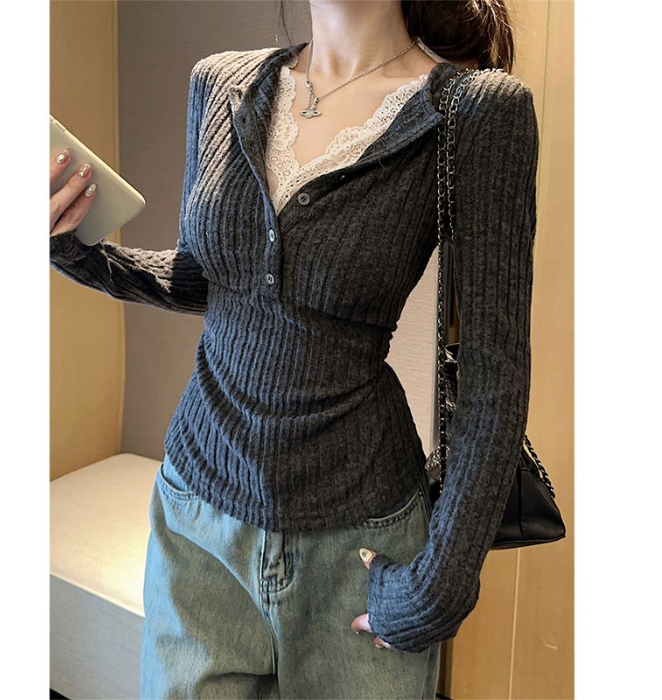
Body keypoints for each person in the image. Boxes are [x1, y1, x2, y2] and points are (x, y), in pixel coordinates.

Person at [49, 0, 538, 697]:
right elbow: (208, 278)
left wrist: (442, 582)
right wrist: (74, 251)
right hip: (196, 525)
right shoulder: (220, 81)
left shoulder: (476, 112)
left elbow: (495, 373)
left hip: (360, 545)